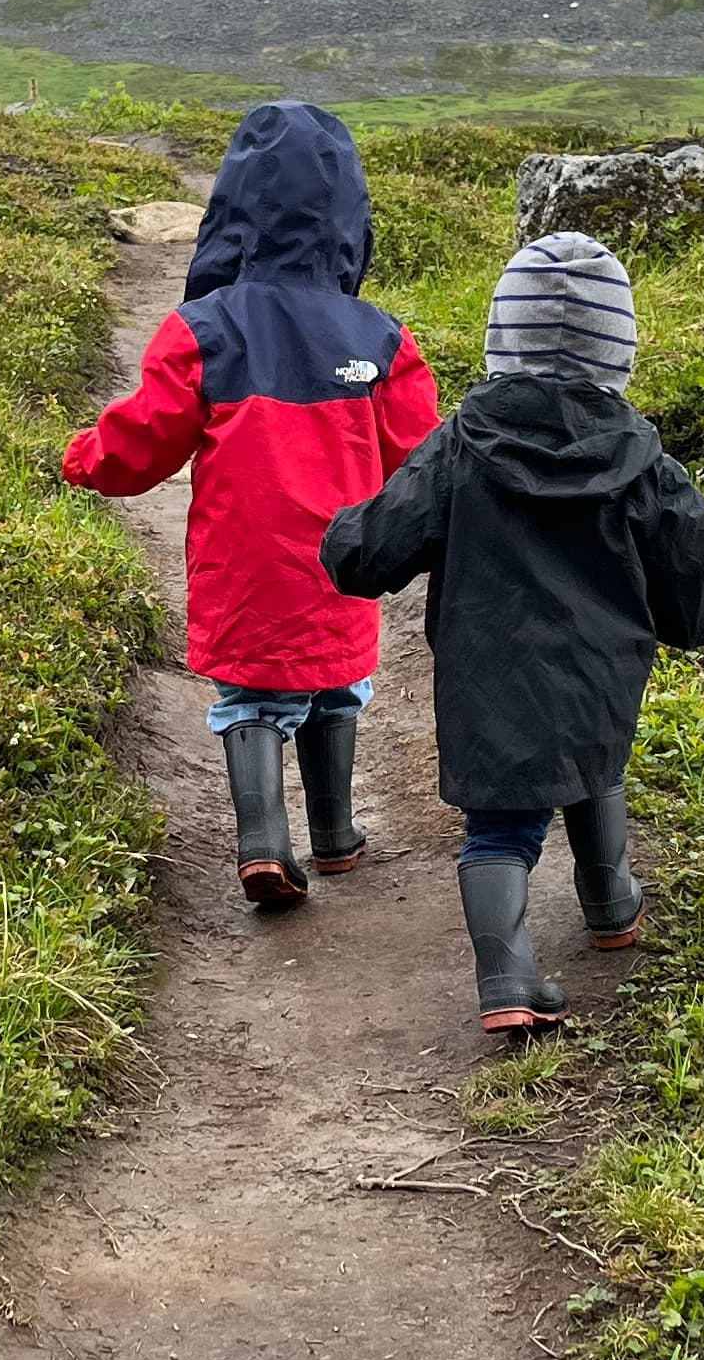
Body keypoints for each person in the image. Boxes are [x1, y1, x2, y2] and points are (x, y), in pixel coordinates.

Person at [320, 227, 704, 1037]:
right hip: (600, 676)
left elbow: (369, 554)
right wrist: (693, 621)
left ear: (503, 334)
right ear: (618, 345)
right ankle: (611, 903)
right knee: (594, 759)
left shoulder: (460, 446)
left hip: (487, 674)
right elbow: (692, 572)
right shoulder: (642, 458)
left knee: (501, 826)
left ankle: (507, 977)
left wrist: (342, 534)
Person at [62, 101, 439, 913]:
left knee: (253, 699)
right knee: (339, 688)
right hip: (344, 564)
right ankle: (336, 837)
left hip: (243, 566)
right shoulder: (381, 339)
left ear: (230, 212)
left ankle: (263, 845)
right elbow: (421, 459)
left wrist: (82, 459)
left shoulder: (201, 329)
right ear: (349, 219)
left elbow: (142, 445)